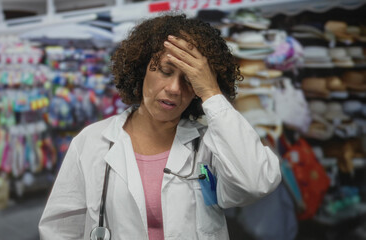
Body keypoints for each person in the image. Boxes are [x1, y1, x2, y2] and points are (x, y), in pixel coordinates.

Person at [39, 14, 281, 240]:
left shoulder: (209, 145)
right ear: (141, 69)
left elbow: (255, 183)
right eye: (165, 72)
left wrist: (211, 92)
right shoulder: (91, 143)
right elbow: (59, 230)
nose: (175, 88)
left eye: (189, 79)